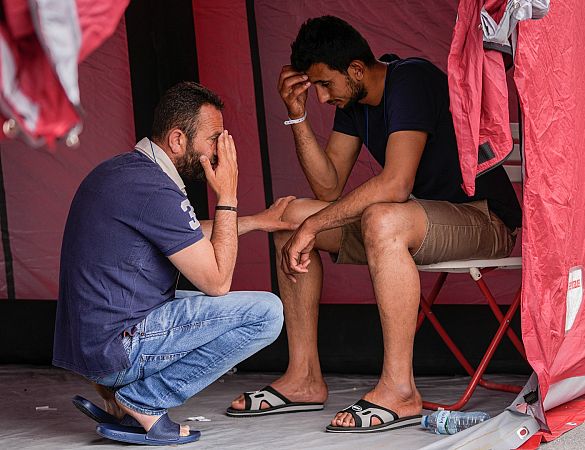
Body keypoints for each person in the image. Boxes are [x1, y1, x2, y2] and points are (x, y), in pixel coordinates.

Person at [226, 16, 522, 432]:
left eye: (325, 85)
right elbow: (328, 187)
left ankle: (400, 390)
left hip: (483, 218)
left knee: (380, 218)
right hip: (422, 217)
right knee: (292, 221)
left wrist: (316, 226)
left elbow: (396, 183)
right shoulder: (354, 101)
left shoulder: (411, 80)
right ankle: (303, 378)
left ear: (357, 70)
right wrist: (297, 116)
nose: (323, 97)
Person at [53, 82, 293, 445]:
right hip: (118, 347)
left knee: (197, 301)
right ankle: (145, 400)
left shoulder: (122, 173)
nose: (219, 151)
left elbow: (184, 234)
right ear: (178, 140)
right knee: (267, 313)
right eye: (214, 139)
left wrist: (258, 221)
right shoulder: (153, 188)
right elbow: (216, 281)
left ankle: (120, 402)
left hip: (94, 347)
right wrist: (228, 194)